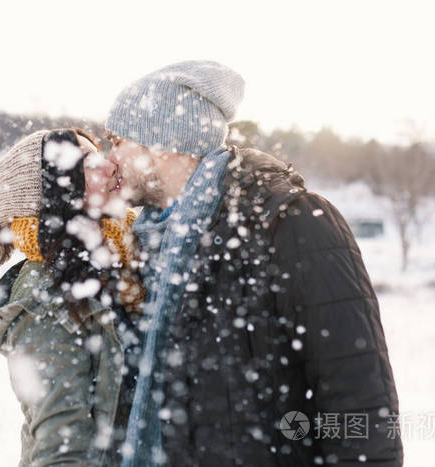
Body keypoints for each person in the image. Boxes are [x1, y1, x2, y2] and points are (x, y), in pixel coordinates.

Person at [104, 61, 403, 466]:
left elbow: (360, 404)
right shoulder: (146, 243)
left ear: (161, 143)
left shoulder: (290, 223)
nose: (110, 157)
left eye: (118, 140)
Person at [0, 128, 144, 466]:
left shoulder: (120, 262)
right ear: (59, 195)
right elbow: (61, 446)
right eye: (87, 163)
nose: (107, 165)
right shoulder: (45, 295)